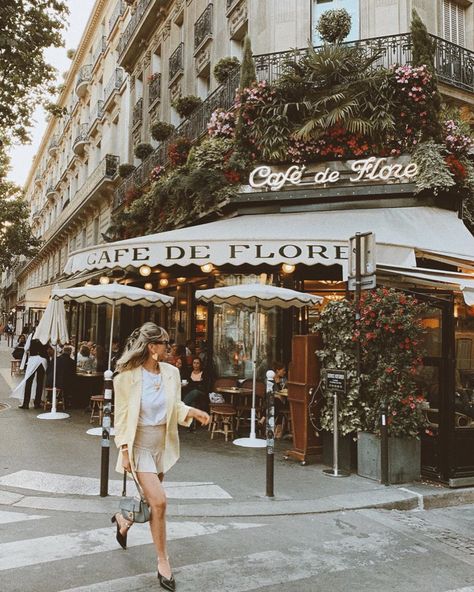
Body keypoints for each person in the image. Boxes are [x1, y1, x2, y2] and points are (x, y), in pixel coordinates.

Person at [112, 322, 209, 591]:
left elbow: (174, 405)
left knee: (149, 499)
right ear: (152, 347)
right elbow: (121, 418)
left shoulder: (172, 373)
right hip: (139, 445)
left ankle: (124, 519)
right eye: (166, 343)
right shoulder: (126, 378)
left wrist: (192, 412)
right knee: (160, 502)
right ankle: (163, 561)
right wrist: (124, 450)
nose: (171, 347)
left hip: (161, 445)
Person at [17, 339, 48, 409]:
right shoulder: (45, 334)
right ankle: (37, 403)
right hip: (42, 361)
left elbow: (26, 348)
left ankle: (26, 403)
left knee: (29, 381)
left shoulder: (32, 335)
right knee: (40, 382)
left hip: (33, 360)